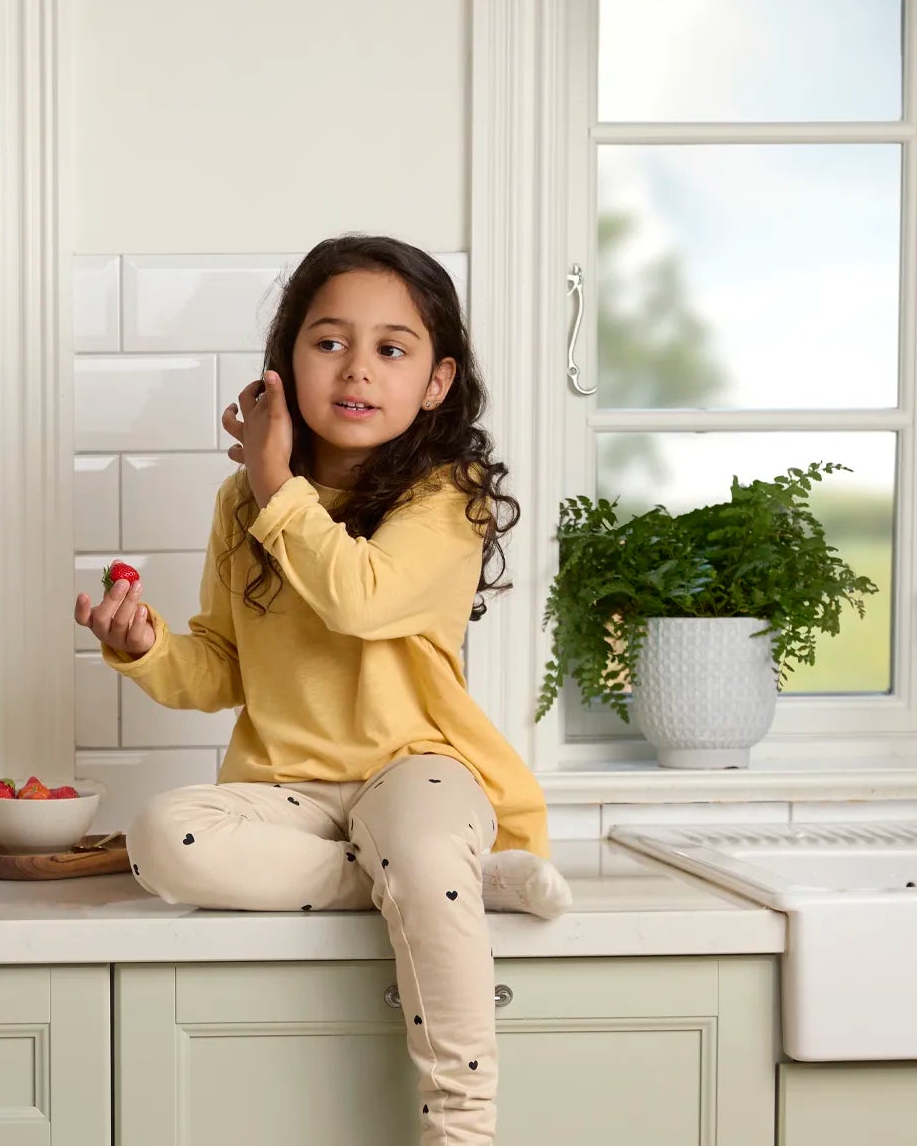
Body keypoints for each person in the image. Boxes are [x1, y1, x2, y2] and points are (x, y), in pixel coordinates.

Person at [75, 235, 571, 1146]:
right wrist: (146, 648)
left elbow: (360, 598)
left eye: (392, 349)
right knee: (163, 837)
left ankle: (462, 1131)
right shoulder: (244, 503)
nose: (356, 369)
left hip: (416, 767)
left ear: (436, 381)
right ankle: (445, 884)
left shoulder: (445, 493)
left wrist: (273, 481)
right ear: (285, 365)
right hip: (288, 791)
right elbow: (226, 665)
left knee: (420, 847)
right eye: (328, 341)